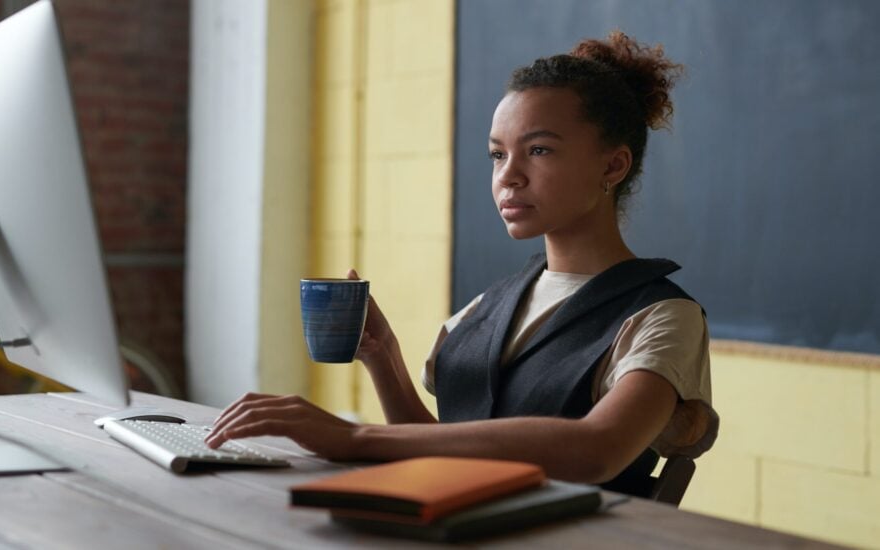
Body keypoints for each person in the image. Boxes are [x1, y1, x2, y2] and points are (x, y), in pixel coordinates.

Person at [206, 31, 718, 497]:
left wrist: (355, 437)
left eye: (538, 150)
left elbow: (597, 449)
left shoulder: (663, 316)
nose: (508, 177)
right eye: (498, 155)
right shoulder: (492, 303)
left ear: (613, 165)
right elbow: (441, 447)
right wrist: (385, 359)